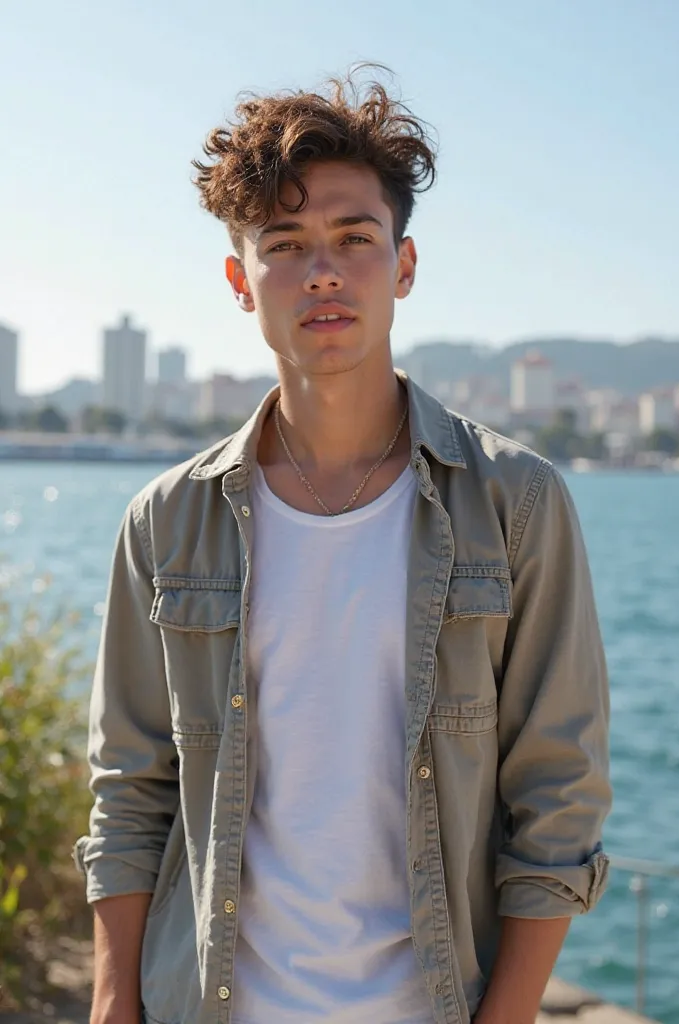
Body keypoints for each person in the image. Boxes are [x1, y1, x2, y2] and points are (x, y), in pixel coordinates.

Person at [75, 67, 612, 1024]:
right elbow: (130, 786)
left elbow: (559, 792)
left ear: (403, 266)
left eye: (355, 238)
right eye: (286, 245)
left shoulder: (516, 503)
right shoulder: (167, 520)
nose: (323, 270)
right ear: (242, 282)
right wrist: (114, 1002)